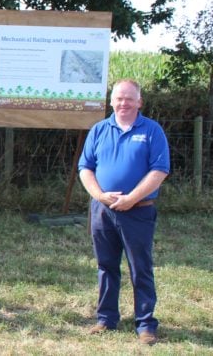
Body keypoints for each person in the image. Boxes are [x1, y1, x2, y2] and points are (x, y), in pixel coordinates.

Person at [78, 79, 169, 346]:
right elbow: (86, 168)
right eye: (119, 98)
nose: (123, 103)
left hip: (138, 211)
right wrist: (99, 196)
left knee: (140, 268)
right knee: (106, 266)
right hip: (102, 211)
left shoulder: (152, 131)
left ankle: (146, 324)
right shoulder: (99, 129)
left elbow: (159, 170)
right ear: (111, 101)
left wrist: (132, 198)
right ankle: (106, 319)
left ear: (139, 102)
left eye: (129, 98)